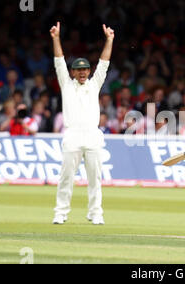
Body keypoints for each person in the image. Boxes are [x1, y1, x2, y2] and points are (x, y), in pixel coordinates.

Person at [50, 22, 115, 225]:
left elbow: (104, 63)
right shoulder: (66, 85)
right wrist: (55, 38)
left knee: (95, 178)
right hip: (72, 135)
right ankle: (61, 212)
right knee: (66, 177)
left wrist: (110, 40)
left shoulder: (94, 84)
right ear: (72, 72)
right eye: (79, 70)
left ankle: (95, 213)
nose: (82, 72)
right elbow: (59, 61)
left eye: (85, 69)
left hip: (92, 135)